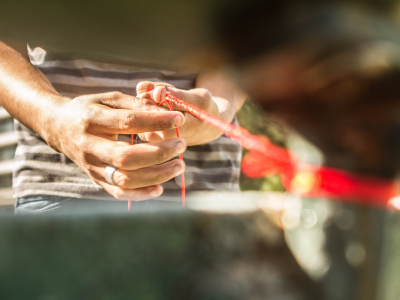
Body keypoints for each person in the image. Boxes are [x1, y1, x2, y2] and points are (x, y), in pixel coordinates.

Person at [0, 41, 245, 214]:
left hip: (206, 200)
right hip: (59, 194)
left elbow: (248, 35)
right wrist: (54, 120)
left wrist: (215, 115)